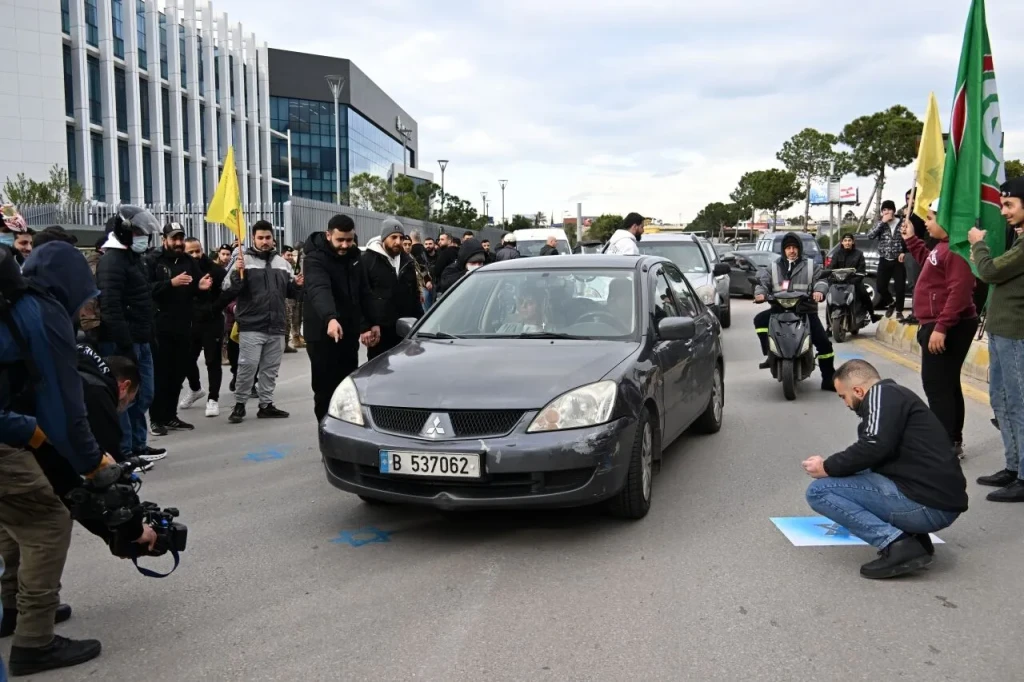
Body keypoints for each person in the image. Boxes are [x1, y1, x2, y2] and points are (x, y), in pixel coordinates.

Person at [0, 242, 112, 675]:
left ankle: (13, 608)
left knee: (13, 515)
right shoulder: (43, 314)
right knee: (46, 522)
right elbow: (64, 412)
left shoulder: (13, 304)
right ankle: (34, 642)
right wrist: (94, 464)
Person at [803, 360, 967, 579]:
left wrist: (826, 466)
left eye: (843, 396)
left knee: (819, 491)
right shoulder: (894, 396)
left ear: (858, 391)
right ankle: (914, 537)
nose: (845, 404)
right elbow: (872, 455)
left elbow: (872, 445)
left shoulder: (881, 395)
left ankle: (898, 545)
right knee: (854, 472)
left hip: (929, 506)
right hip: (935, 501)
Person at [901, 202, 977, 458]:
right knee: (947, 384)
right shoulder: (943, 247)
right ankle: (951, 441)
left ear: (946, 220)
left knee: (937, 387)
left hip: (946, 323)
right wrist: (912, 240)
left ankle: (943, 448)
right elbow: (930, 263)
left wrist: (942, 326)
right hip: (939, 322)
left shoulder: (955, 250)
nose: (927, 223)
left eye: (931, 218)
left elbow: (960, 291)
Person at [968, 177, 1024, 502]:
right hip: (1002, 333)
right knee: (1001, 401)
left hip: (1016, 335)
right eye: (1002, 205)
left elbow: (989, 271)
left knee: (1018, 404)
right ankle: (1013, 467)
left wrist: (978, 243)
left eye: (1009, 205)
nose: (1003, 211)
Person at [95, 206, 165, 463]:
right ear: (124, 232)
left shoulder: (134, 259)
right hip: (122, 342)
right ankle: (124, 451)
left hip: (141, 338)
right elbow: (110, 306)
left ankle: (139, 444)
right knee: (124, 398)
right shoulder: (112, 261)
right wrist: (124, 344)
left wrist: (150, 335)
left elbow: (143, 299)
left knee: (144, 395)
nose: (143, 237)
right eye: (137, 232)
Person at [221, 221, 303, 424]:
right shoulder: (243, 260)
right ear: (253, 239)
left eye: (268, 237)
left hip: (277, 325)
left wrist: (298, 285)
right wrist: (236, 273)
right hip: (251, 325)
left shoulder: (282, 263)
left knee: (270, 369)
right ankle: (239, 404)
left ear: (273, 239)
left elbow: (291, 292)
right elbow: (227, 288)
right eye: (260, 238)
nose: (264, 241)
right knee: (247, 367)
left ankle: (266, 405)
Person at [302, 215, 379, 423]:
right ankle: (326, 430)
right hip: (321, 332)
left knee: (347, 388)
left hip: (348, 332)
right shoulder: (314, 259)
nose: (345, 245)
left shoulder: (355, 257)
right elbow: (319, 289)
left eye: (349, 240)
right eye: (340, 240)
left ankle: (345, 429)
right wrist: (330, 318)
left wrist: (372, 322)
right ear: (328, 235)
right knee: (325, 389)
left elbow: (364, 292)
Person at [145, 223, 211, 435]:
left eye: (181, 238)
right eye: (174, 238)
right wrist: (170, 283)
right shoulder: (153, 260)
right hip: (159, 328)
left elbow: (197, 287)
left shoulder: (188, 261)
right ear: (164, 239)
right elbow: (145, 289)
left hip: (184, 327)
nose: (178, 243)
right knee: (160, 376)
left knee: (177, 375)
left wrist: (201, 288)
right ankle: (156, 419)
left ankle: (170, 416)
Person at [753, 232, 835, 390]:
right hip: (779, 311)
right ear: (783, 250)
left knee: (824, 344)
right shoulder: (774, 267)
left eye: (794, 247)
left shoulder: (810, 266)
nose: (792, 251)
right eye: (788, 248)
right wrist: (760, 294)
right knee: (760, 320)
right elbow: (763, 282)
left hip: (805, 311)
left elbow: (821, 280)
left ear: (800, 249)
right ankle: (770, 352)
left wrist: (819, 291)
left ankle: (828, 378)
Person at [181, 237, 229, 418]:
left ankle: (213, 398)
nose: (195, 255)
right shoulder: (181, 269)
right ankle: (195, 389)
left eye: (198, 251)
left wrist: (213, 308)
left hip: (212, 322)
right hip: (189, 322)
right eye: (191, 252)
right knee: (186, 359)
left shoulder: (215, 270)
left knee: (212, 361)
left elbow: (227, 293)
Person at [362, 219, 422, 360]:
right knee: (379, 369)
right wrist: (366, 326)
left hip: (405, 330)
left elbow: (414, 295)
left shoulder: (407, 261)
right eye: (393, 237)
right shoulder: (368, 261)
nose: (398, 242)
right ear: (384, 238)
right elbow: (362, 296)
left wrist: (421, 323)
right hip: (379, 331)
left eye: (401, 238)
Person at [867, 200, 907, 321]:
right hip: (884, 258)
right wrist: (882, 222)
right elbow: (870, 235)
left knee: (900, 287)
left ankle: (899, 311)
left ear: (893, 211)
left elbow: (909, 238)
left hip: (898, 259)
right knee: (880, 286)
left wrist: (904, 251)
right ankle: (891, 303)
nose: (886, 212)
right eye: (884, 210)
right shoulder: (881, 224)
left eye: (889, 209)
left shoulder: (902, 222)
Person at [829, 233, 877, 323]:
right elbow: (831, 268)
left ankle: (872, 315)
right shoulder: (837, 254)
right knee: (829, 299)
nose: (847, 243)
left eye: (849, 240)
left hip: (854, 282)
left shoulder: (859, 254)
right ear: (842, 242)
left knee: (865, 294)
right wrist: (829, 276)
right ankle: (829, 325)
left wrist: (855, 279)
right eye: (845, 241)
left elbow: (861, 269)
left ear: (853, 242)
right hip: (838, 283)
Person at [281, 245, 303, 353]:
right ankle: (284, 343)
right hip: (285, 296)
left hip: (293, 294)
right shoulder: (281, 265)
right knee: (287, 321)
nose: (290, 257)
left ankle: (290, 340)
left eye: (291, 255)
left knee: (293, 319)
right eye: (288, 255)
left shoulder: (293, 265)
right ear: (282, 255)